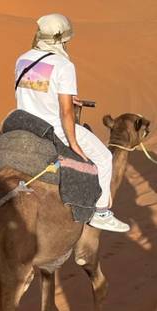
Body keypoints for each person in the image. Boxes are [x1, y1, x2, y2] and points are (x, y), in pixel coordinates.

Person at [14, 13, 130, 233]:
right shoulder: (63, 65)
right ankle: (101, 212)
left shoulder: (23, 59)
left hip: (23, 124)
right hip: (52, 128)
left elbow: (34, 89)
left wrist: (65, 96)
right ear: (62, 39)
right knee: (104, 158)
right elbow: (66, 112)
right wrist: (73, 142)